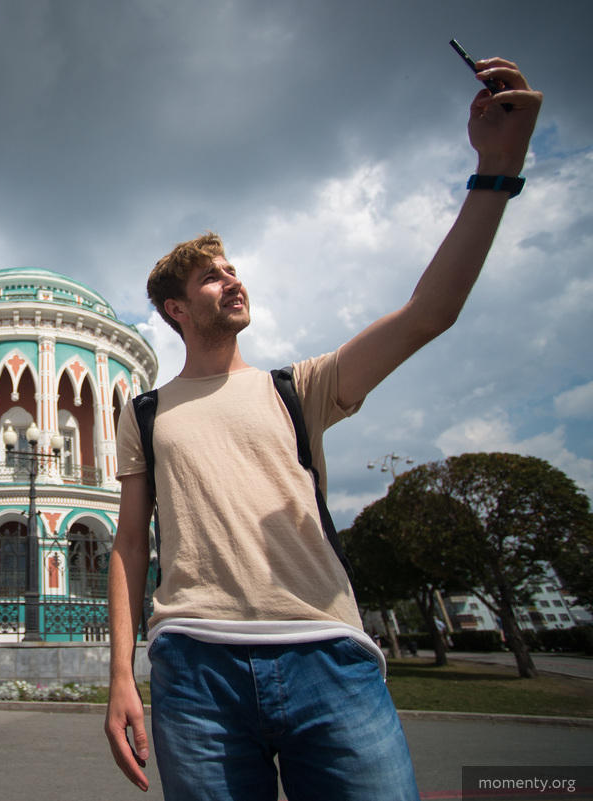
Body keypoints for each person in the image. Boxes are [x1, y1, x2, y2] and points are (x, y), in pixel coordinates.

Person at [105, 56, 542, 800]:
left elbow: (427, 315)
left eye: (234, 268)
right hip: (196, 670)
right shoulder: (145, 411)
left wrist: (496, 172)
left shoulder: (296, 388)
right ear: (175, 307)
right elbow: (128, 543)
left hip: (327, 658)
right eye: (210, 275)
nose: (232, 279)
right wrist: (121, 674)